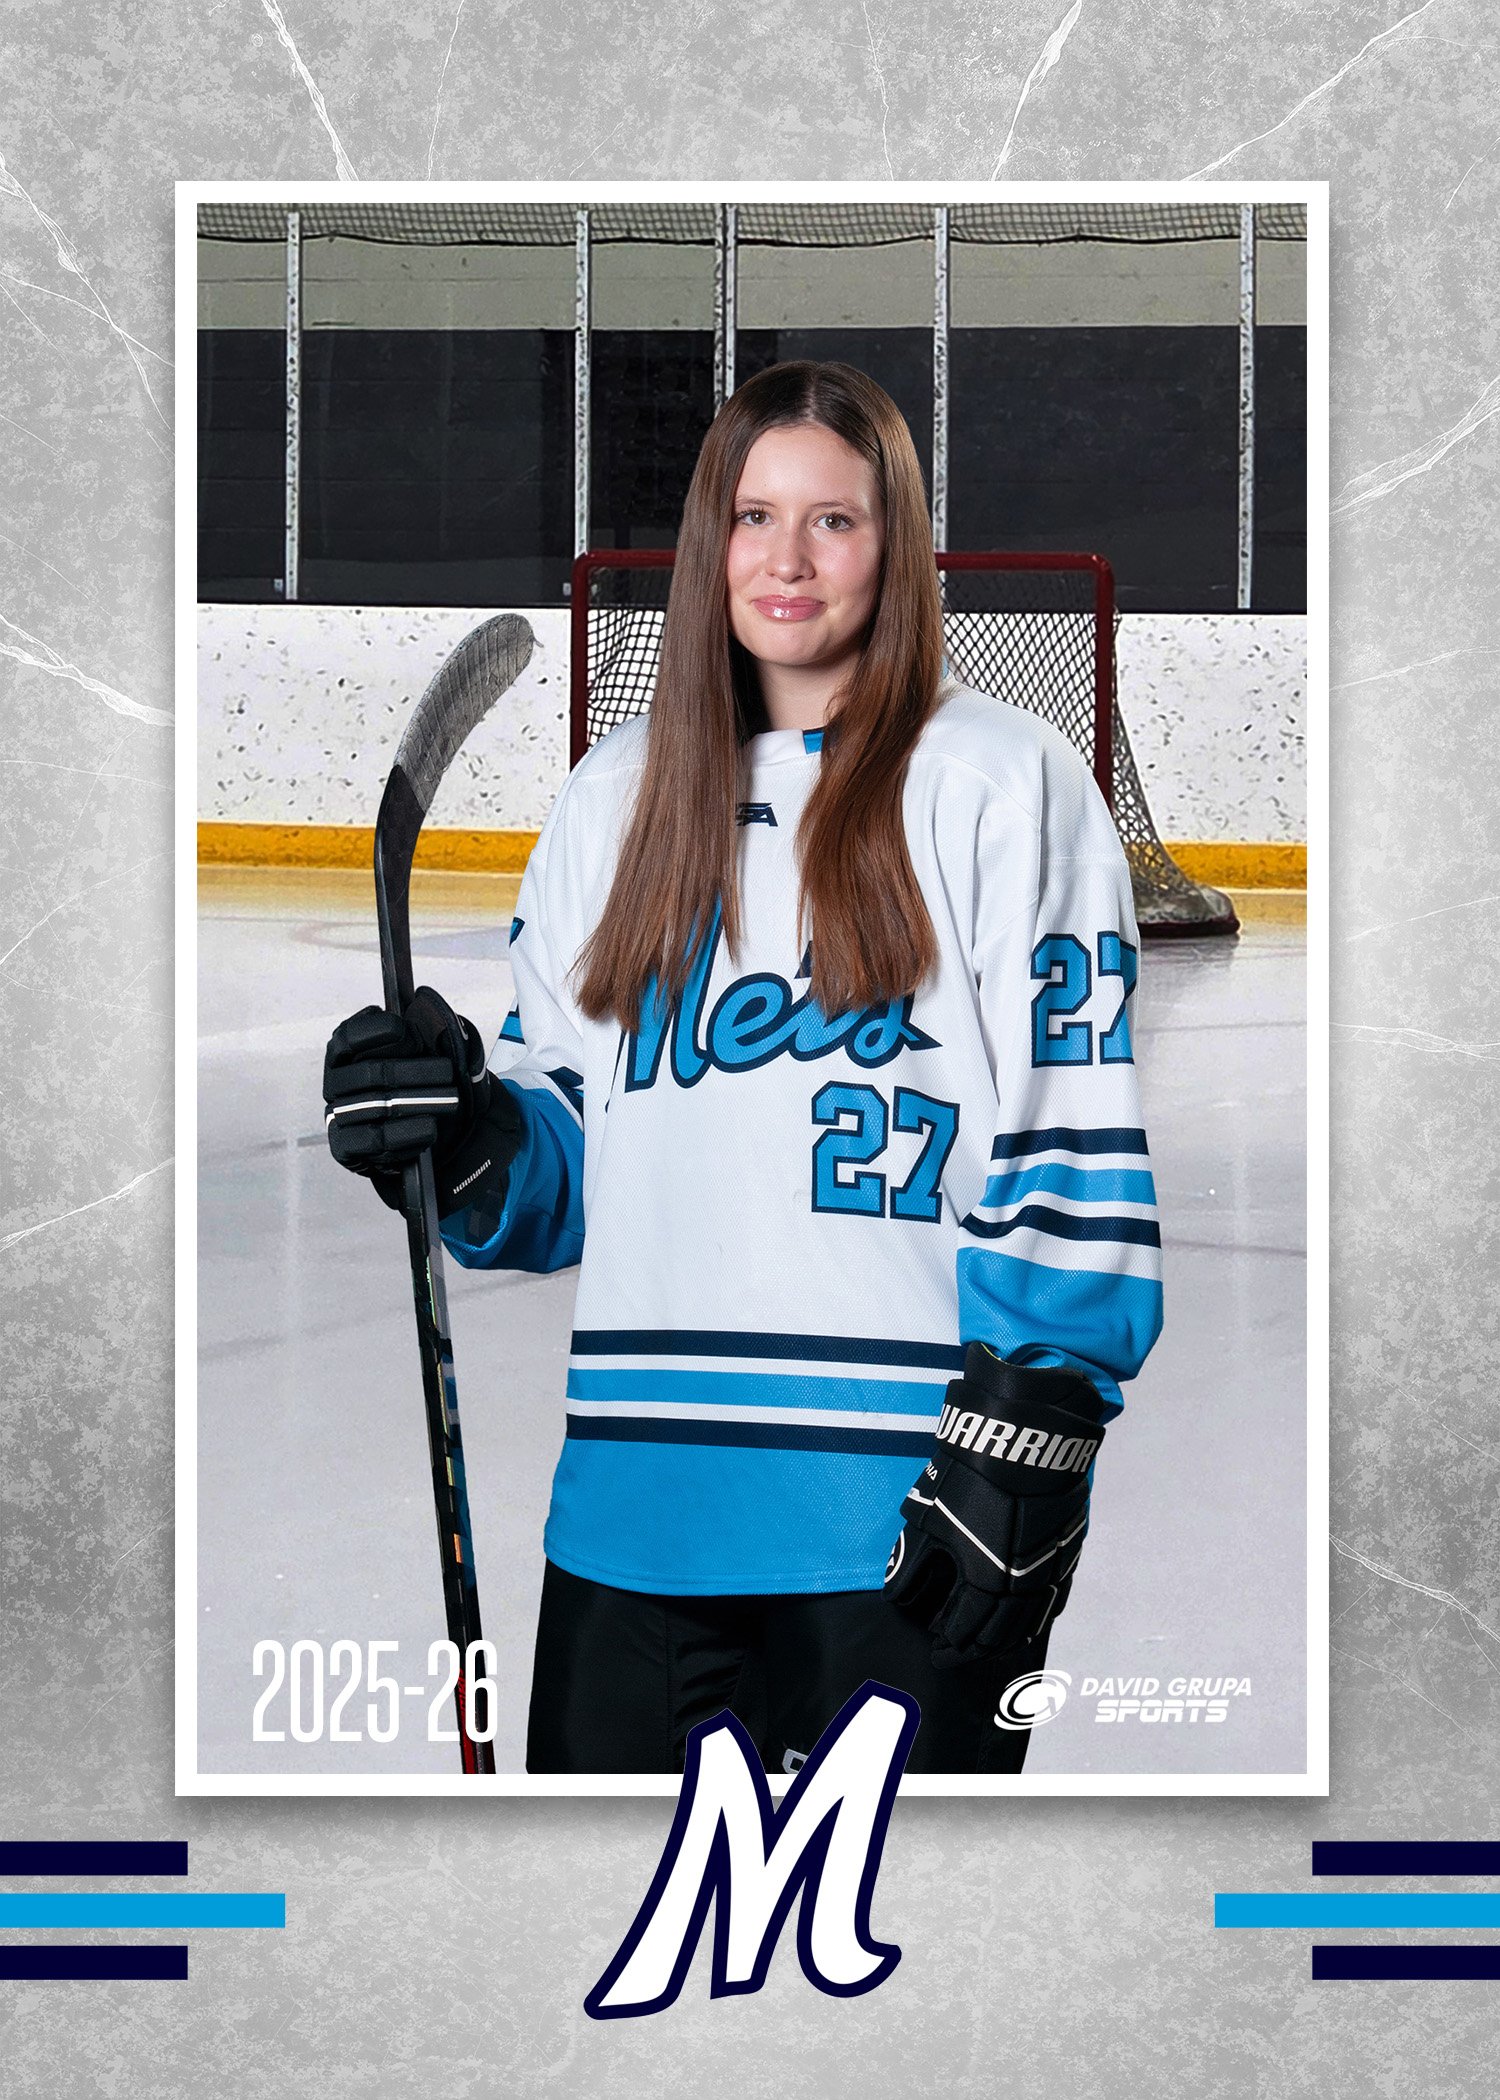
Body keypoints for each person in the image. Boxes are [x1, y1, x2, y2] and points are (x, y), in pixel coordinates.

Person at [324, 360, 1163, 1776]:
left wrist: (1038, 1422)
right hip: (631, 1519)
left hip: (904, 1515)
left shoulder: (998, 782)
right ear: (710, 540)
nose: (787, 560)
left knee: (888, 1920)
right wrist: (464, 1132)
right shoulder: (613, 803)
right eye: (754, 517)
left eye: (834, 520)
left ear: (894, 544)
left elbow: (1070, 1125)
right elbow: (569, 1157)